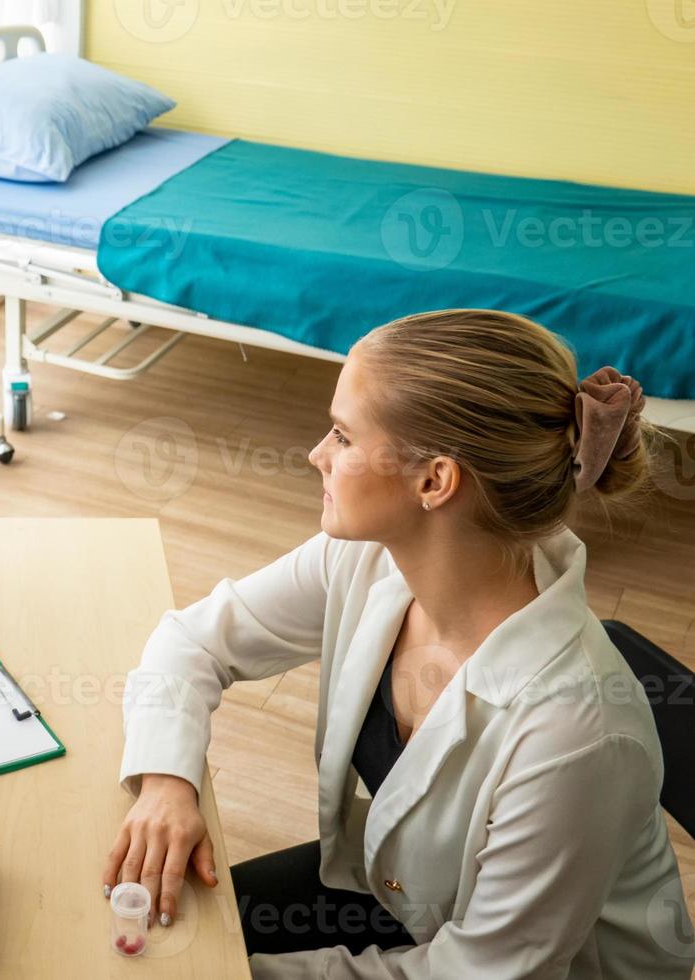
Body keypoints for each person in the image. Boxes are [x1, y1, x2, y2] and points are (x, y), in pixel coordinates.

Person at [103, 309, 695, 978]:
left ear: (435, 481)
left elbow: (479, 972)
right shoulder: (365, 561)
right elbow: (193, 641)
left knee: (172, 956)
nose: (316, 454)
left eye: (342, 436)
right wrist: (165, 782)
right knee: (142, 931)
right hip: (402, 892)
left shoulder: (576, 738)